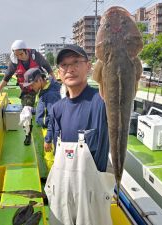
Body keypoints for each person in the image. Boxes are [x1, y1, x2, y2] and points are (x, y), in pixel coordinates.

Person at [44, 45, 115, 225]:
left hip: (91, 196)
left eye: (76, 62)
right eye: (64, 65)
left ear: (89, 66)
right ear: (58, 73)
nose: (70, 69)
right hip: (61, 193)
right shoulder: (57, 109)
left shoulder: (103, 101)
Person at [0, 40, 55, 145]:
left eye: (21, 54)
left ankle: (47, 127)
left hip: (40, 85)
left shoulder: (36, 56)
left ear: (26, 50)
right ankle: (28, 134)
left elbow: (48, 68)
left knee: (46, 105)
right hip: (27, 89)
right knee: (25, 113)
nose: (19, 57)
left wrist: (54, 82)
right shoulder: (14, 62)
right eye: (17, 55)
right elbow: (6, 78)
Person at [22, 68, 61, 171]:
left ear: (39, 80)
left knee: (51, 159)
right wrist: (32, 110)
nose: (30, 87)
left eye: (31, 84)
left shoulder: (51, 94)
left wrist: (48, 139)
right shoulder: (44, 90)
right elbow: (45, 110)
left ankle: (54, 184)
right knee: (49, 157)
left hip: (51, 132)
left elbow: (54, 118)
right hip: (47, 130)